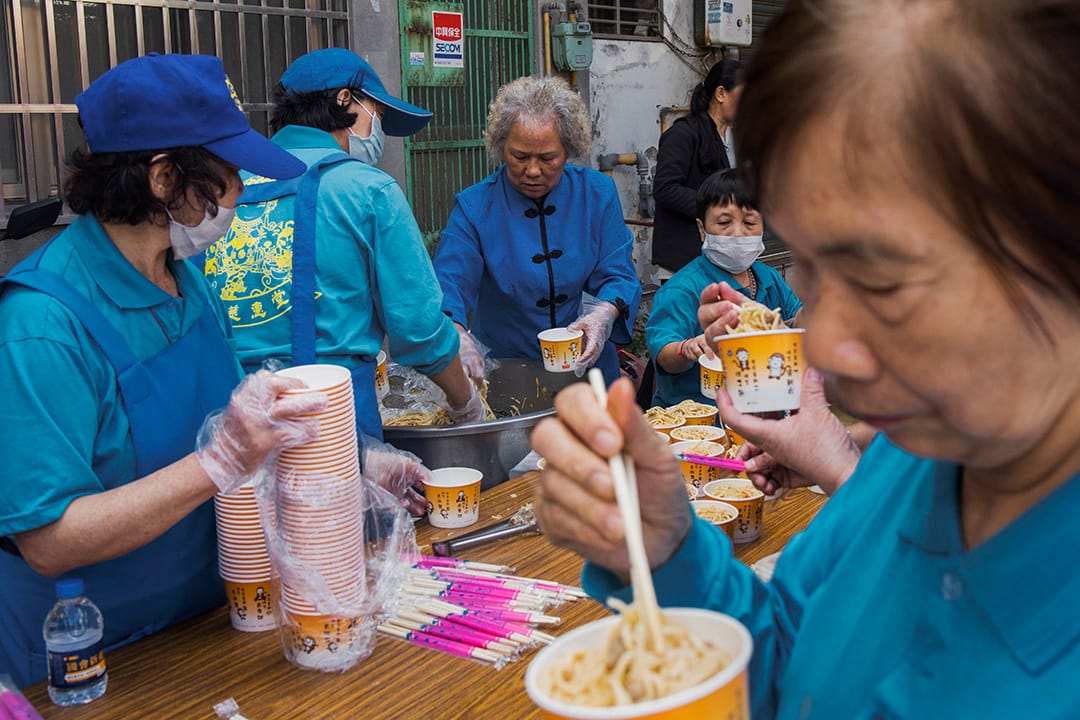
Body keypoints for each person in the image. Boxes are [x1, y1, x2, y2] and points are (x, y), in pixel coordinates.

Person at [532, 0, 1080, 716]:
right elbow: (794, 654)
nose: (822, 344)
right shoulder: (910, 461)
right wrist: (669, 549)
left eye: (884, 280)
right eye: (813, 271)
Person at [0, 54, 330, 687]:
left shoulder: (185, 278)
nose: (239, 191)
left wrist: (353, 461)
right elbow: (50, 538)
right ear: (161, 177)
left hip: (207, 631)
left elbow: (240, 420)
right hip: (88, 665)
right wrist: (217, 462)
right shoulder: (41, 324)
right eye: (227, 171)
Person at [203, 48, 483, 439]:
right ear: (345, 100)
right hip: (330, 425)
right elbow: (420, 333)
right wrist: (465, 402)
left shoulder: (226, 186)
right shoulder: (368, 190)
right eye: (378, 114)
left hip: (227, 422)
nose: (378, 128)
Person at [433, 76, 642, 384]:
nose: (532, 170)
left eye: (547, 158)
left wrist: (603, 314)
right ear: (501, 147)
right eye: (519, 157)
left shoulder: (596, 193)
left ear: (568, 149)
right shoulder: (475, 206)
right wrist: (456, 335)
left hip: (590, 369)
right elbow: (448, 283)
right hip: (507, 371)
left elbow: (618, 273)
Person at [645, 169, 801, 407]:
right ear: (701, 228)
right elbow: (663, 353)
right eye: (724, 222)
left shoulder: (767, 277)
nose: (738, 233)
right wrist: (687, 348)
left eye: (749, 222)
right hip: (701, 425)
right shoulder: (682, 289)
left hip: (762, 410)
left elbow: (796, 321)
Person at [651, 58, 742, 277]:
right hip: (685, 261)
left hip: (722, 258)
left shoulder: (732, 137)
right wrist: (716, 208)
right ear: (721, 94)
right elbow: (665, 188)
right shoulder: (683, 134)